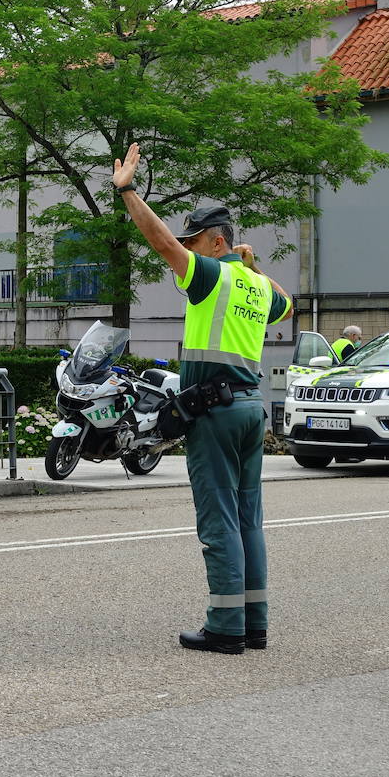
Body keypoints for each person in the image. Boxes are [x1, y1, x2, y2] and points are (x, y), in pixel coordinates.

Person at [113, 143, 292, 655]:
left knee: (218, 521)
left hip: (212, 413)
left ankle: (225, 627)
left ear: (216, 242)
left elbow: (162, 244)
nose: (188, 249)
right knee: (248, 519)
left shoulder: (211, 277)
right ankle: (254, 624)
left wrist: (127, 190)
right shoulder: (256, 287)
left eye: (198, 241)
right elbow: (289, 303)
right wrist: (250, 265)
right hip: (249, 411)